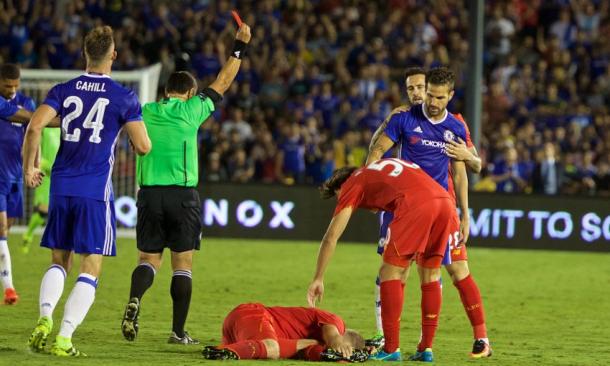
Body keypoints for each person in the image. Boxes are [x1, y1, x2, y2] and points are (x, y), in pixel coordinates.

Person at [23, 25, 151, 357]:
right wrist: (125, 122)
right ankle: (64, 339)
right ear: (113, 55)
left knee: (58, 260)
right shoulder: (124, 96)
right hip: (94, 191)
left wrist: (30, 168)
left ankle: (44, 318)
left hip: (61, 188)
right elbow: (143, 147)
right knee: (90, 267)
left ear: (85, 54)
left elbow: (35, 124)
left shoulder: (64, 90)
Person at [121, 22, 252, 345]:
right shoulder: (194, 110)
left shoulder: (145, 111)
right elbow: (223, 80)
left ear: (166, 91)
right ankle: (178, 332)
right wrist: (239, 46)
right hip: (183, 197)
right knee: (182, 265)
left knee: (148, 261)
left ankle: (135, 299)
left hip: (149, 195)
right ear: (190, 93)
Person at [366, 67, 491, 360]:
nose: (430, 101)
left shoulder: (456, 126)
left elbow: (464, 172)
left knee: (437, 272)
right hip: (405, 208)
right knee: (397, 273)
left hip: (440, 210)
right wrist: (372, 186)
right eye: (426, 94)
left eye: (437, 96)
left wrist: (465, 213)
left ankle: (423, 346)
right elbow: (377, 151)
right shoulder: (404, 118)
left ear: (449, 96)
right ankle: (392, 341)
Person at [307, 160, 459, 362]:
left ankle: (391, 348)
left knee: (389, 273)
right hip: (444, 201)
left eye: (339, 197)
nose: (347, 203)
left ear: (341, 186)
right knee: (431, 273)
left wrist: (318, 277)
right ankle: (426, 349)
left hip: (416, 205)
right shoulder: (378, 170)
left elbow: (331, 237)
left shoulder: (353, 183)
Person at [202, 302, 367, 362]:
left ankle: (230, 349)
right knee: (272, 348)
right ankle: (221, 352)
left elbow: (314, 352)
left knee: (272, 350)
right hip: (253, 314)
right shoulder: (336, 323)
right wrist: (337, 342)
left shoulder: (319, 344)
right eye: (345, 349)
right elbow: (333, 336)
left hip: (244, 335)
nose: (340, 351)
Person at [0, 63, 36, 304]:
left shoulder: (28, 101)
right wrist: (46, 118)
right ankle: (9, 288)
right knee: (1, 230)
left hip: (15, 177)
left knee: (6, 231)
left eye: (15, 85)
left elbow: (34, 132)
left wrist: (33, 165)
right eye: (6, 86)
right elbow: (33, 119)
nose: (12, 90)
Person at [21, 126, 61, 253]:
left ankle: (55, 241)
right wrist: (40, 163)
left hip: (59, 173)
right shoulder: (45, 127)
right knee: (43, 209)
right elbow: (35, 144)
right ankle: (28, 235)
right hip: (45, 174)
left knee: (55, 210)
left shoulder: (63, 128)